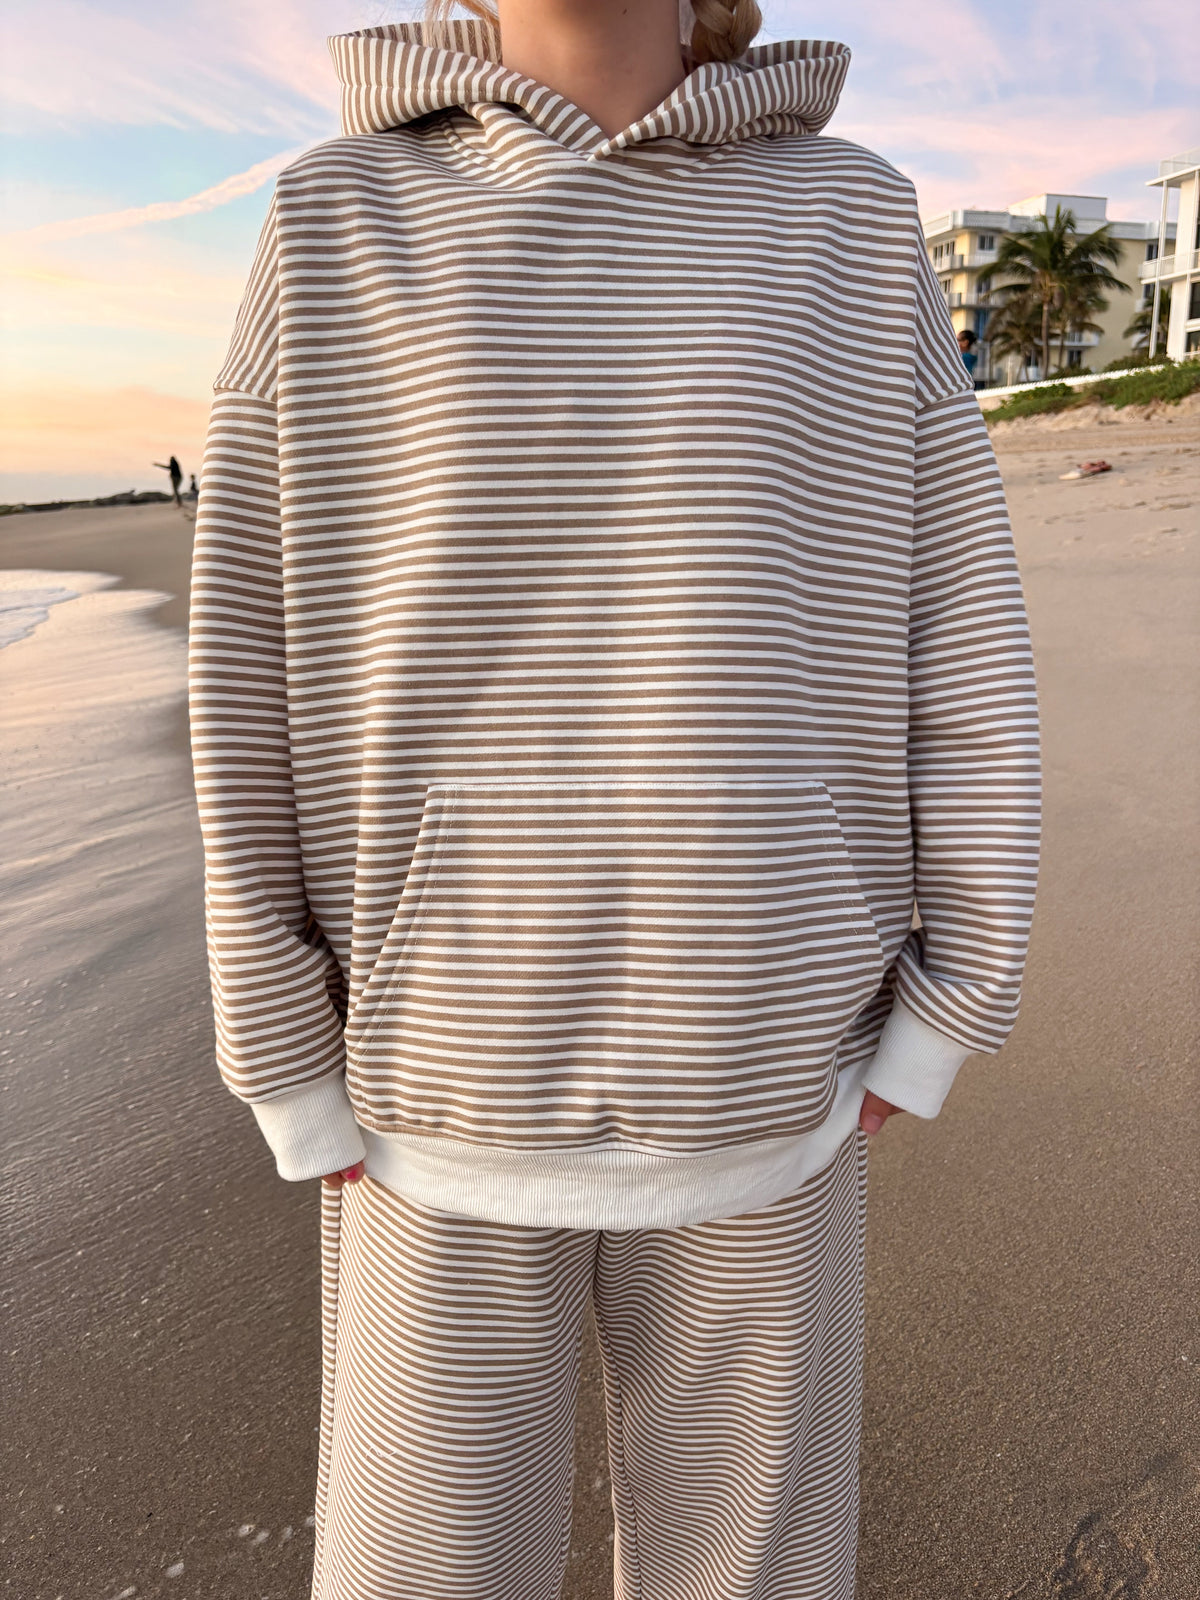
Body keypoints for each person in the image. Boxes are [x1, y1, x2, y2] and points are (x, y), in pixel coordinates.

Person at [188, 3, 1041, 1596]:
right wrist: (282, 1053)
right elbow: (249, 653)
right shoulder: (331, 218)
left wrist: (949, 1000)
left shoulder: (849, 218)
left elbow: (960, 626)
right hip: (429, 1089)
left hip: (773, 1071)